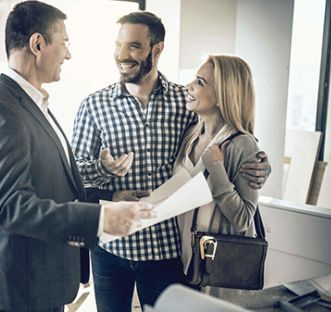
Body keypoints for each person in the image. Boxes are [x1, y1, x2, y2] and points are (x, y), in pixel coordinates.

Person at [71, 12, 270, 311]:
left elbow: (228, 132)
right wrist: (104, 173)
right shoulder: (93, 105)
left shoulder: (187, 103)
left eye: (135, 47)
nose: (122, 56)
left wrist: (260, 164)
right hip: (111, 249)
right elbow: (76, 175)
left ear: (157, 49)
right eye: (118, 45)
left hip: (168, 250)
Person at [0, 2, 156, 311]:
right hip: (21, 289)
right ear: (38, 44)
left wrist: (103, 178)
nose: (68, 54)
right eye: (64, 43)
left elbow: (51, 182)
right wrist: (101, 218)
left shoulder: (29, 104)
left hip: (39, 283)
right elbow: (12, 207)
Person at [177, 55, 260, 295]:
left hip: (219, 277)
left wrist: (217, 169)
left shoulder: (242, 145)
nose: (188, 87)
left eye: (200, 82)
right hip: (185, 268)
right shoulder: (191, 136)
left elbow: (244, 219)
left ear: (224, 95)